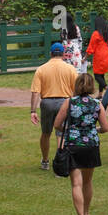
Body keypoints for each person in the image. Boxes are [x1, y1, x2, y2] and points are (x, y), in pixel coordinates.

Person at [52, 73, 108, 215]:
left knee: (76, 184)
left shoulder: (69, 102)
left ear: (77, 85)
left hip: (73, 144)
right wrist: (94, 129)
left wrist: (70, 129)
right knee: (88, 182)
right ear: (92, 86)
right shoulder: (97, 104)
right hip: (91, 145)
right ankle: (86, 212)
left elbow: (57, 124)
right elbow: (106, 128)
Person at [30, 42, 77, 171]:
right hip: (65, 102)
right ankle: (60, 162)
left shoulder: (41, 69)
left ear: (50, 54)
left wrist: (33, 111)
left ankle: (45, 161)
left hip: (47, 103)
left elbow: (35, 92)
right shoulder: (70, 69)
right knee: (61, 133)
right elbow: (76, 90)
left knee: (46, 133)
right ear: (63, 54)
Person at [84, 15, 108, 93]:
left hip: (99, 56)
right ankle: (100, 94)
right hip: (107, 55)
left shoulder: (96, 34)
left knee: (97, 76)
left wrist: (84, 58)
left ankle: (107, 88)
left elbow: (90, 48)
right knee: (101, 75)